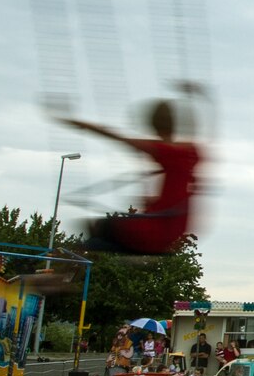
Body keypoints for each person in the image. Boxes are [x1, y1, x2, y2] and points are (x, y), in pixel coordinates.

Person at [54, 85, 206, 257]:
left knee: (95, 228)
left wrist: (74, 122)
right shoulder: (192, 151)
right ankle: (126, 254)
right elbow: (199, 130)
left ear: (154, 126)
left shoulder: (163, 151)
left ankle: (60, 276)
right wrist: (198, 98)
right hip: (174, 231)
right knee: (99, 239)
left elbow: (112, 135)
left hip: (150, 232)